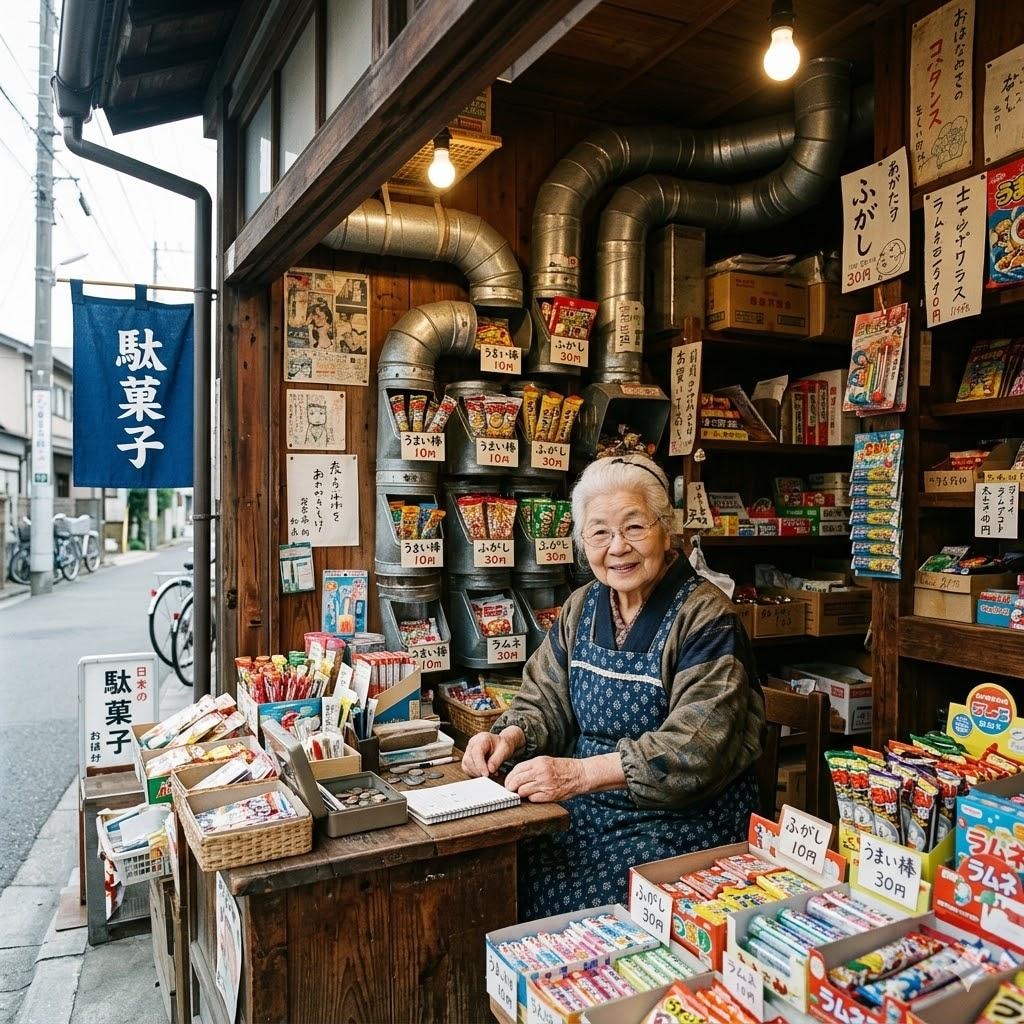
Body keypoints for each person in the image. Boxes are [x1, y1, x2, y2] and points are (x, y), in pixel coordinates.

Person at [462, 455, 765, 919]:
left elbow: (697, 746)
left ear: (666, 531)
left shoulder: (707, 617)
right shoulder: (581, 607)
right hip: (582, 810)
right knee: (495, 869)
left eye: (634, 527)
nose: (618, 547)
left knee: (591, 899)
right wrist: (509, 737)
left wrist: (580, 775)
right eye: (600, 532)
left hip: (680, 820)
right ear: (584, 544)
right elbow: (543, 698)